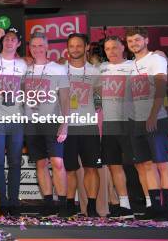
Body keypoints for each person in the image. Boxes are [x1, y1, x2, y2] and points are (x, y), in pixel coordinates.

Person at [125, 27, 168, 221]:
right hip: (136, 121)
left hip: (156, 118)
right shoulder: (131, 64)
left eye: (137, 40)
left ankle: (167, 208)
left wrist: (153, 115)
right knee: (146, 164)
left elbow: (161, 87)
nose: (134, 44)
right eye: (130, 41)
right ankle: (154, 206)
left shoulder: (156, 59)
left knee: (162, 163)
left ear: (146, 40)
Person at [24, 32, 70, 217]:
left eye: (40, 46)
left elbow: (66, 99)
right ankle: (49, 203)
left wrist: (65, 124)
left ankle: (64, 204)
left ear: (47, 47)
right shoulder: (25, 69)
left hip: (52, 121)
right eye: (33, 46)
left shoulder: (57, 69)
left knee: (58, 163)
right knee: (41, 163)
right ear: (30, 48)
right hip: (31, 122)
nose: (37, 49)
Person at [0, 27, 27, 216]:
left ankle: (14, 202)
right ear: (3, 41)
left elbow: (27, 91)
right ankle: (1, 202)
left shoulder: (24, 65)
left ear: (18, 43)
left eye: (13, 39)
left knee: (15, 161)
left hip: (17, 119)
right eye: (7, 38)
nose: (9, 42)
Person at [63, 33, 102, 217]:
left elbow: (100, 99)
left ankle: (92, 207)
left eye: (79, 45)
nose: (75, 49)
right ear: (67, 48)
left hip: (88, 126)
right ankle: (70, 205)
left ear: (86, 47)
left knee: (91, 168)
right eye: (72, 46)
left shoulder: (95, 72)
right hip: (66, 127)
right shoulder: (60, 70)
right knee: (69, 168)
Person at [99, 36, 135, 219]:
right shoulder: (101, 68)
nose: (111, 51)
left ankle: (146, 204)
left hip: (129, 123)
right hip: (109, 124)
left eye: (115, 47)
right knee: (114, 165)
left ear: (123, 48)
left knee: (138, 165)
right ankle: (125, 206)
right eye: (107, 48)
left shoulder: (133, 66)